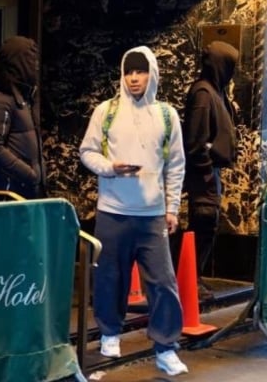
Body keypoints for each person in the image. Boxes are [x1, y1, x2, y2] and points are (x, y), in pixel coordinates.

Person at [79, 46, 188, 376]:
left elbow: (176, 165)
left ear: (152, 74)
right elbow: (87, 152)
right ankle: (110, 334)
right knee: (110, 278)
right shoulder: (106, 111)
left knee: (163, 283)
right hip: (112, 211)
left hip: (152, 214)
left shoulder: (167, 115)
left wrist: (172, 208)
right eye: (129, 71)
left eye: (140, 71)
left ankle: (166, 347)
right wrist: (111, 167)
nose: (134, 78)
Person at [182, 41, 240, 297]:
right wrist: (205, 172)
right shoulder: (204, 93)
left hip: (210, 172)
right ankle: (189, 279)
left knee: (207, 225)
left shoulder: (215, 91)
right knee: (203, 223)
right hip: (203, 174)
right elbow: (195, 142)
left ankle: (193, 277)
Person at [0, 36, 45, 201]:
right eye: (32, 60)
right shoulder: (0, 99)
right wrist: (29, 174)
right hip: (8, 192)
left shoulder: (20, 96)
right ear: (20, 63)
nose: (36, 66)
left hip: (20, 191)